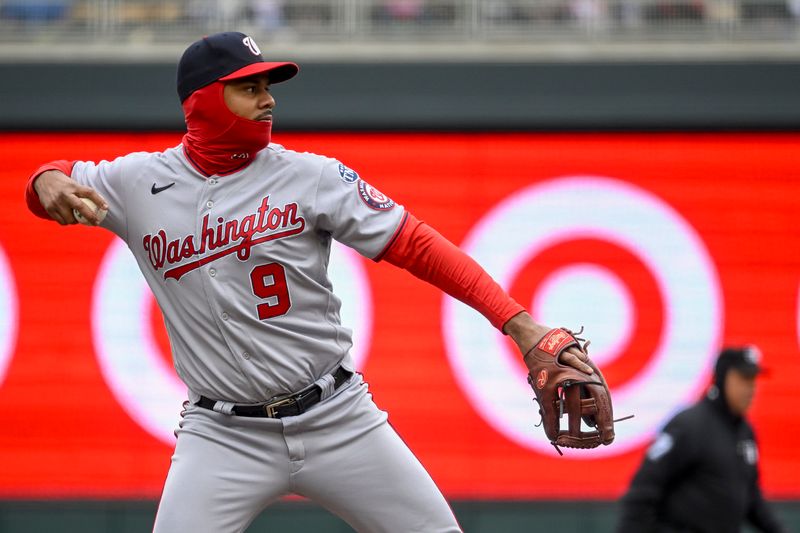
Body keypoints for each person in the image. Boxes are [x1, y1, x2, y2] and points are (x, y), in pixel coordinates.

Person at [24, 32, 599, 533]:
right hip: (221, 434)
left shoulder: (310, 176)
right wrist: (43, 179)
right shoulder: (135, 183)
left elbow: (419, 246)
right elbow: (53, 181)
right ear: (203, 100)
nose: (269, 99)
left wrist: (520, 325)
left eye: (269, 86)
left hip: (337, 417)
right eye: (249, 88)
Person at [617, 345, 786, 533]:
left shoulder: (745, 432)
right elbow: (644, 490)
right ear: (723, 379)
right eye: (744, 379)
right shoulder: (689, 426)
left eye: (753, 380)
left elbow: (751, 498)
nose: (751, 388)